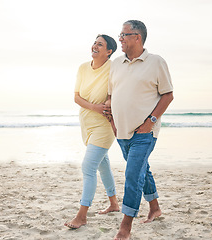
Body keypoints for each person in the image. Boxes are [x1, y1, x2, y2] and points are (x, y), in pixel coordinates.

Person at [104, 20, 174, 240]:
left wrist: (150, 122)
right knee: (142, 171)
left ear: (138, 37)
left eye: (124, 35)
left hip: (144, 133)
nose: (120, 39)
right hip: (121, 132)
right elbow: (110, 95)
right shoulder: (115, 63)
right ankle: (155, 208)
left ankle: (125, 227)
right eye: (120, 34)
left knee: (133, 175)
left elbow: (168, 95)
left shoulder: (156, 62)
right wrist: (113, 122)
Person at [64, 34, 120, 229]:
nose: (95, 46)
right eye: (94, 43)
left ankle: (82, 215)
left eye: (100, 44)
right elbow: (76, 97)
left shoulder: (114, 67)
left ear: (109, 51)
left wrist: (111, 102)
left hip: (104, 125)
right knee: (103, 164)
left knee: (88, 167)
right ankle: (114, 204)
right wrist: (94, 107)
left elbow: (120, 89)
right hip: (86, 122)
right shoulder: (82, 68)